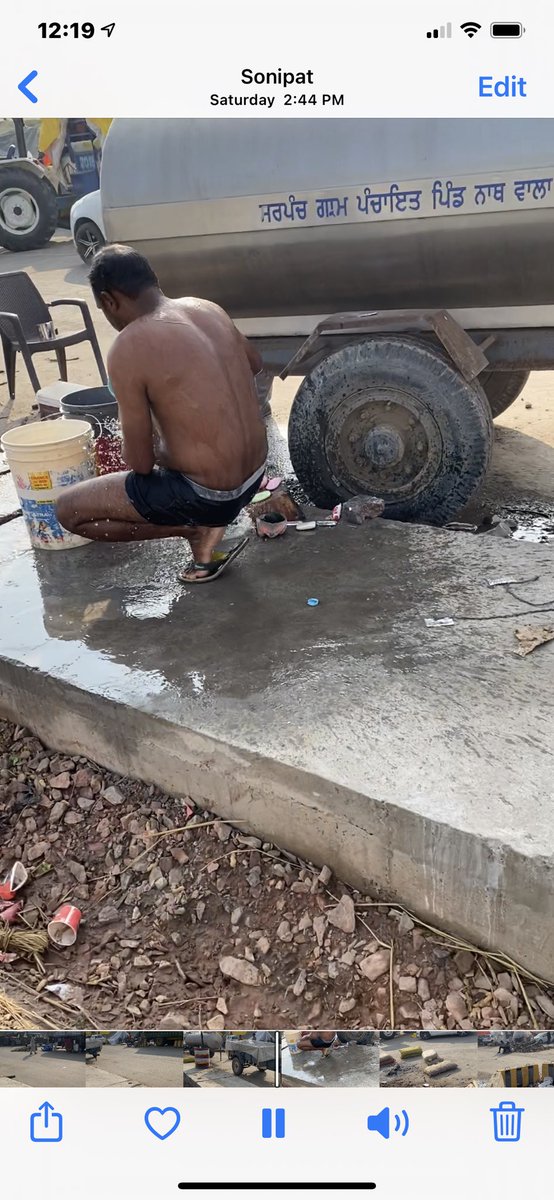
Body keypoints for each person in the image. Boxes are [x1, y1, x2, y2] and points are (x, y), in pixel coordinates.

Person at [56, 245, 268, 583]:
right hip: (255, 476)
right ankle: (205, 527)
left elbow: (139, 464)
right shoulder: (207, 308)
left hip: (209, 497)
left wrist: (161, 442)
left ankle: (195, 531)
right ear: (152, 281)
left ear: (110, 302)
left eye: (104, 309)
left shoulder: (128, 346)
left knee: (68, 511)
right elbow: (255, 364)